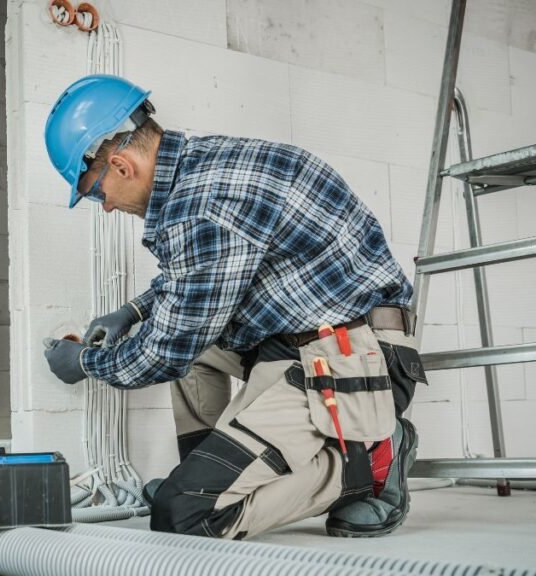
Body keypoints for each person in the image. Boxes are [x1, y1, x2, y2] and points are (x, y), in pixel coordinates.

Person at [42, 74, 428, 540]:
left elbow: (167, 350)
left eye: (96, 194)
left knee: (184, 516)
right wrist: (134, 312)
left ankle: (375, 462)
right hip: (302, 341)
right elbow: (197, 280)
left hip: (357, 360)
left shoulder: (202, 206)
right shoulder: (202, 165)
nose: (103, 208)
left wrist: (85, 362)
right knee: (192, 346)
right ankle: (205, 476)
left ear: (122, 166)